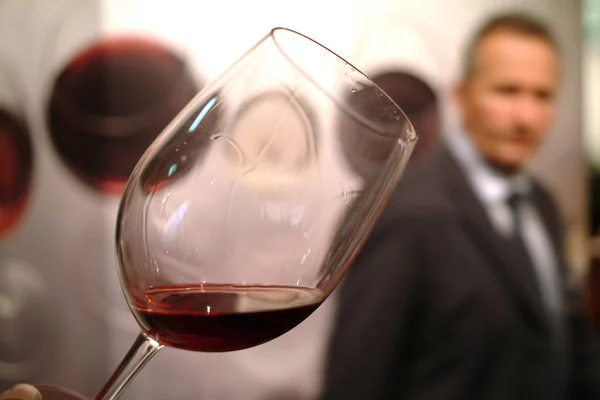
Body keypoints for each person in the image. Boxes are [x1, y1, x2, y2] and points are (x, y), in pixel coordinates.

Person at [322, 12, 600, 400]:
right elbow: (357, 379)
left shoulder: (541, 203)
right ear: (463, 95)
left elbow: (566, 339)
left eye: (542, 95)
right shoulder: (401, 210)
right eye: (507, 91)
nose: (526, 117)